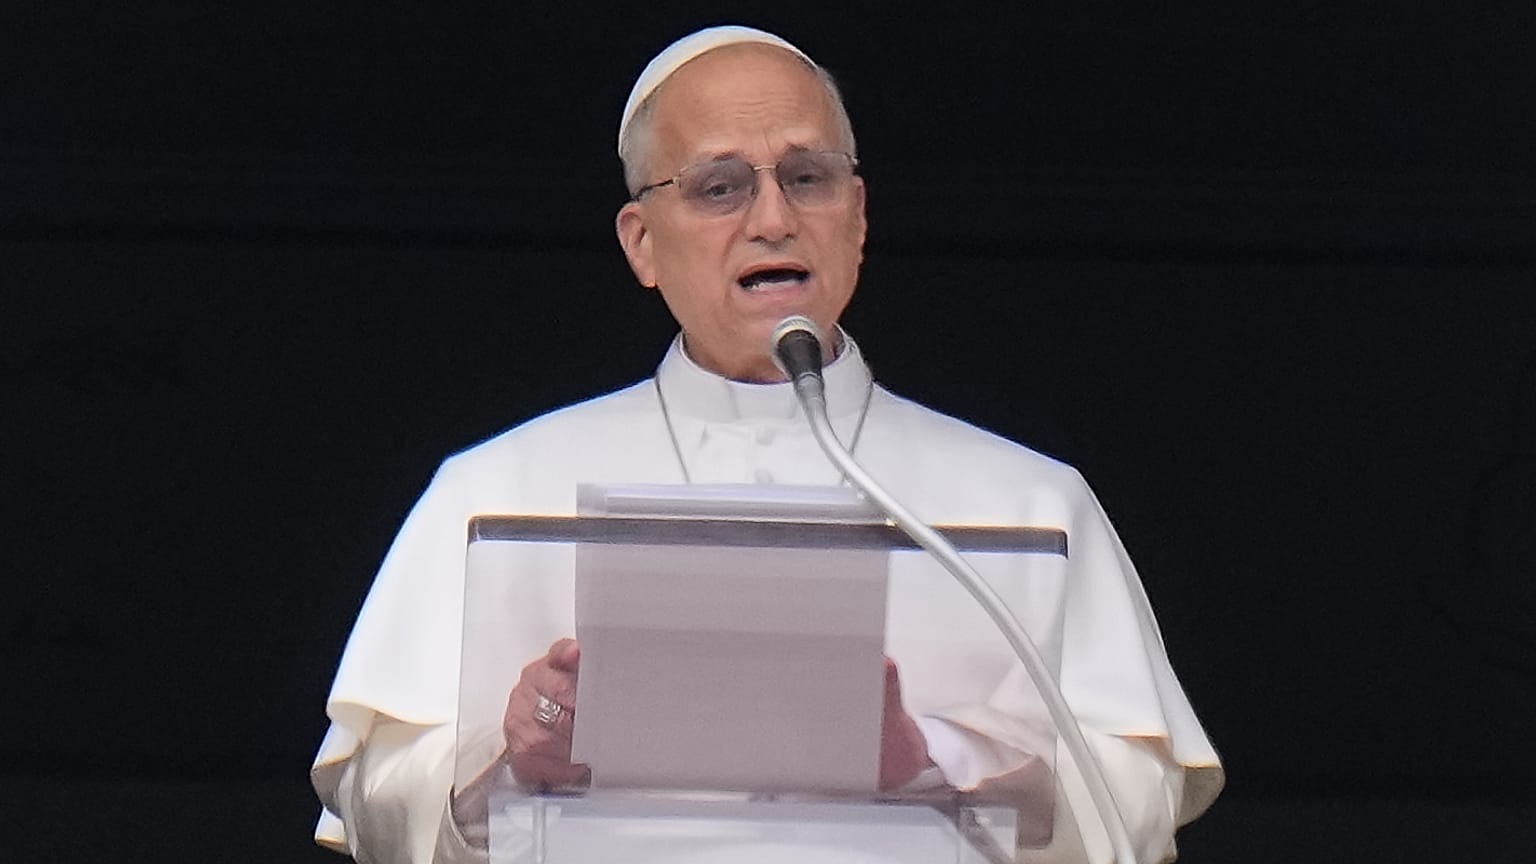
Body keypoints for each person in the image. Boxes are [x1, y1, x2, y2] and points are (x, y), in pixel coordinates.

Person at [311, 25, 1223, 864]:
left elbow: (1134, 804)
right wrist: (513, 764)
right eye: (719, 187)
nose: (774, 219)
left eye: (808, 177)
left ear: (857, 217)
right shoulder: (494, 488)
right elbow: (373, 800)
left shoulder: (1030, 502)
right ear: (642, 243)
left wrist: (925, 761)